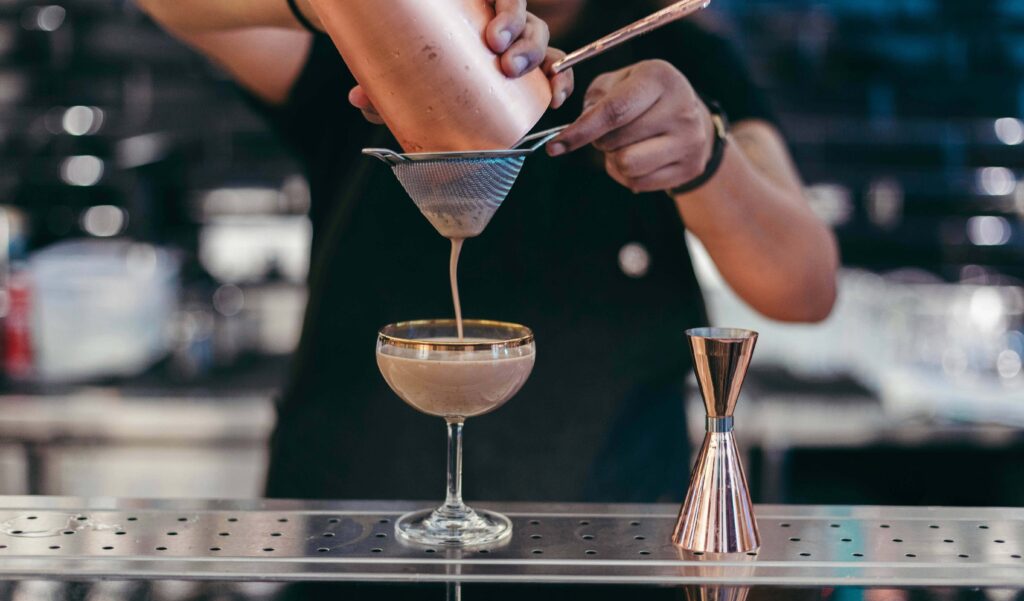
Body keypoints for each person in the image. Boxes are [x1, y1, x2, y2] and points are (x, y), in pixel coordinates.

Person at [136, 0, 839, 504]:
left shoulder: (682, 58)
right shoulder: (372, 41)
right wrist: (341, 7)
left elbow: (805, 288)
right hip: (352, 548)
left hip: (607, 566)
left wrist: (705, 158)